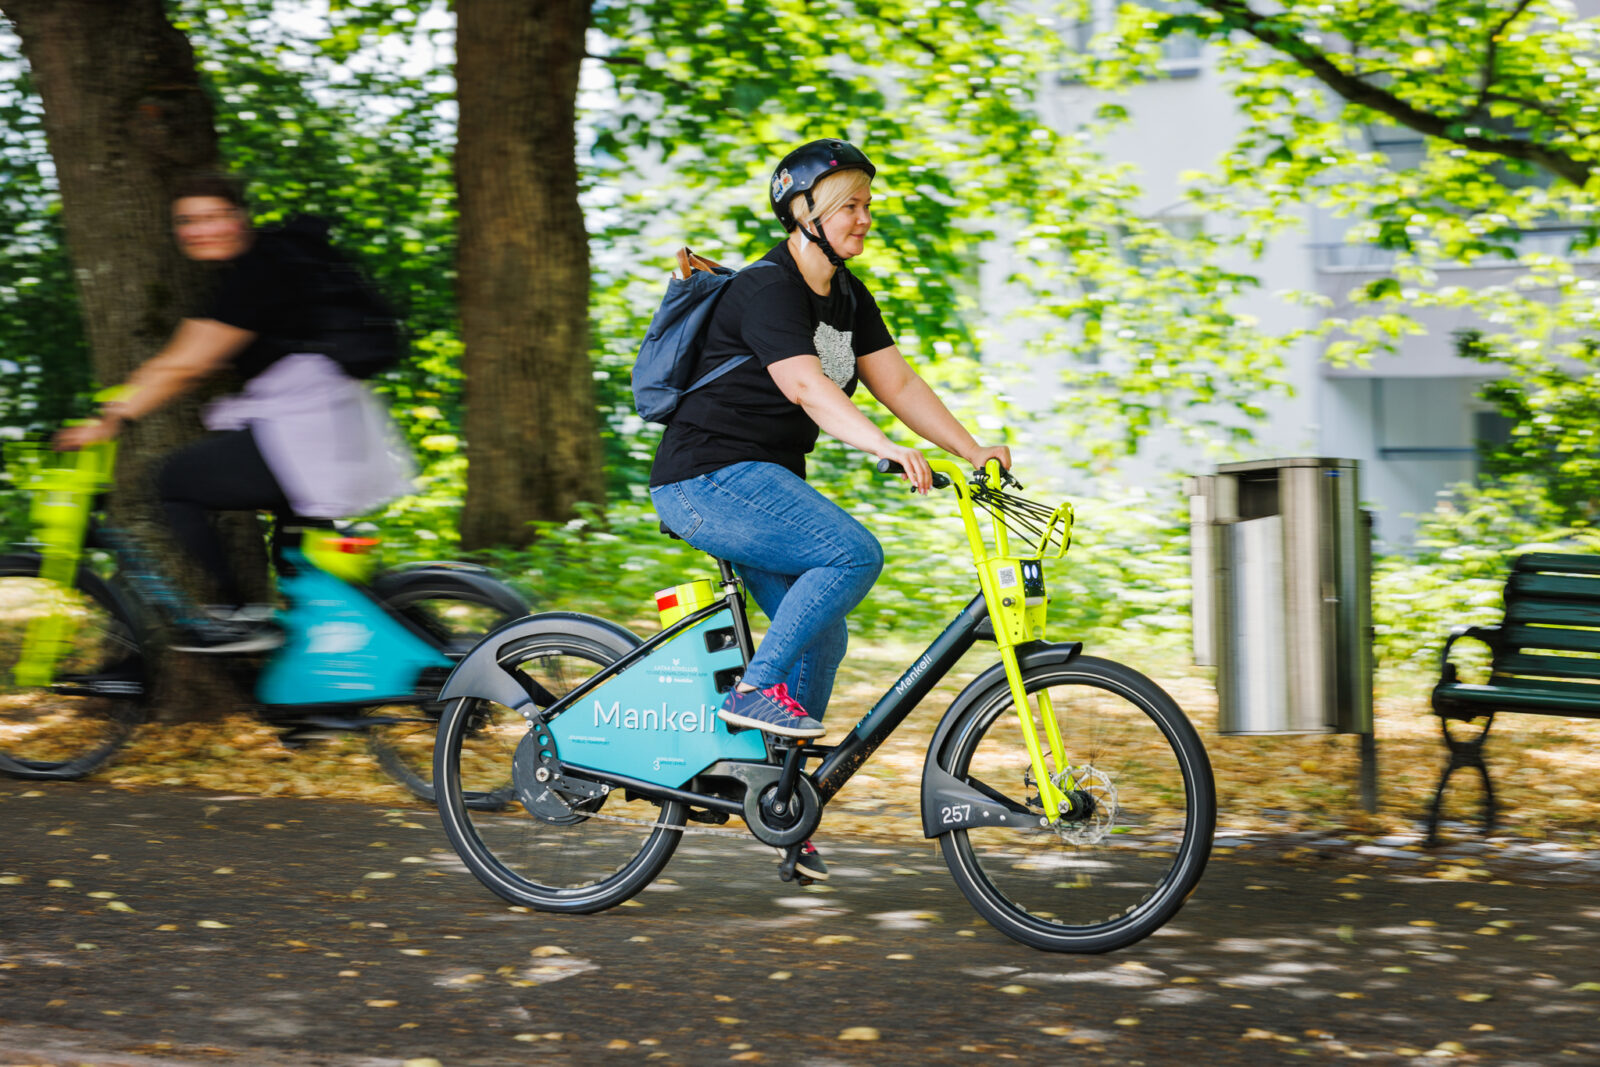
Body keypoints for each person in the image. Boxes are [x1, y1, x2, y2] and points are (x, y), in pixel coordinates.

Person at [648, 138, 1011, 882]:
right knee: (852, 553)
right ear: (802, 212)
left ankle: (782, 806)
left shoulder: (846, 296)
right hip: (706, 478)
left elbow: (897, 383)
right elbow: (807, 387)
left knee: (824, 634)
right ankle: (753, 691)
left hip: (758, 482)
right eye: (849, 205)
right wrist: (884, 447)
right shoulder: (766, 289)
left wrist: (971, 450)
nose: (864, 218)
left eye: (868, 204)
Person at [55, 174, 414, 653]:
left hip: (309, 431)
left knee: (174, 482)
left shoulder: (257, 273)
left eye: (214, 216)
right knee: (301, 565)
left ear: (240, 217)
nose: (201, 230)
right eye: (188, 220)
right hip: (328, 425)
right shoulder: (266, 265)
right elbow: (193, 355)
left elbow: (187, 364)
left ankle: (232, 618)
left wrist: (110, 421)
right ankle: (322, 677)